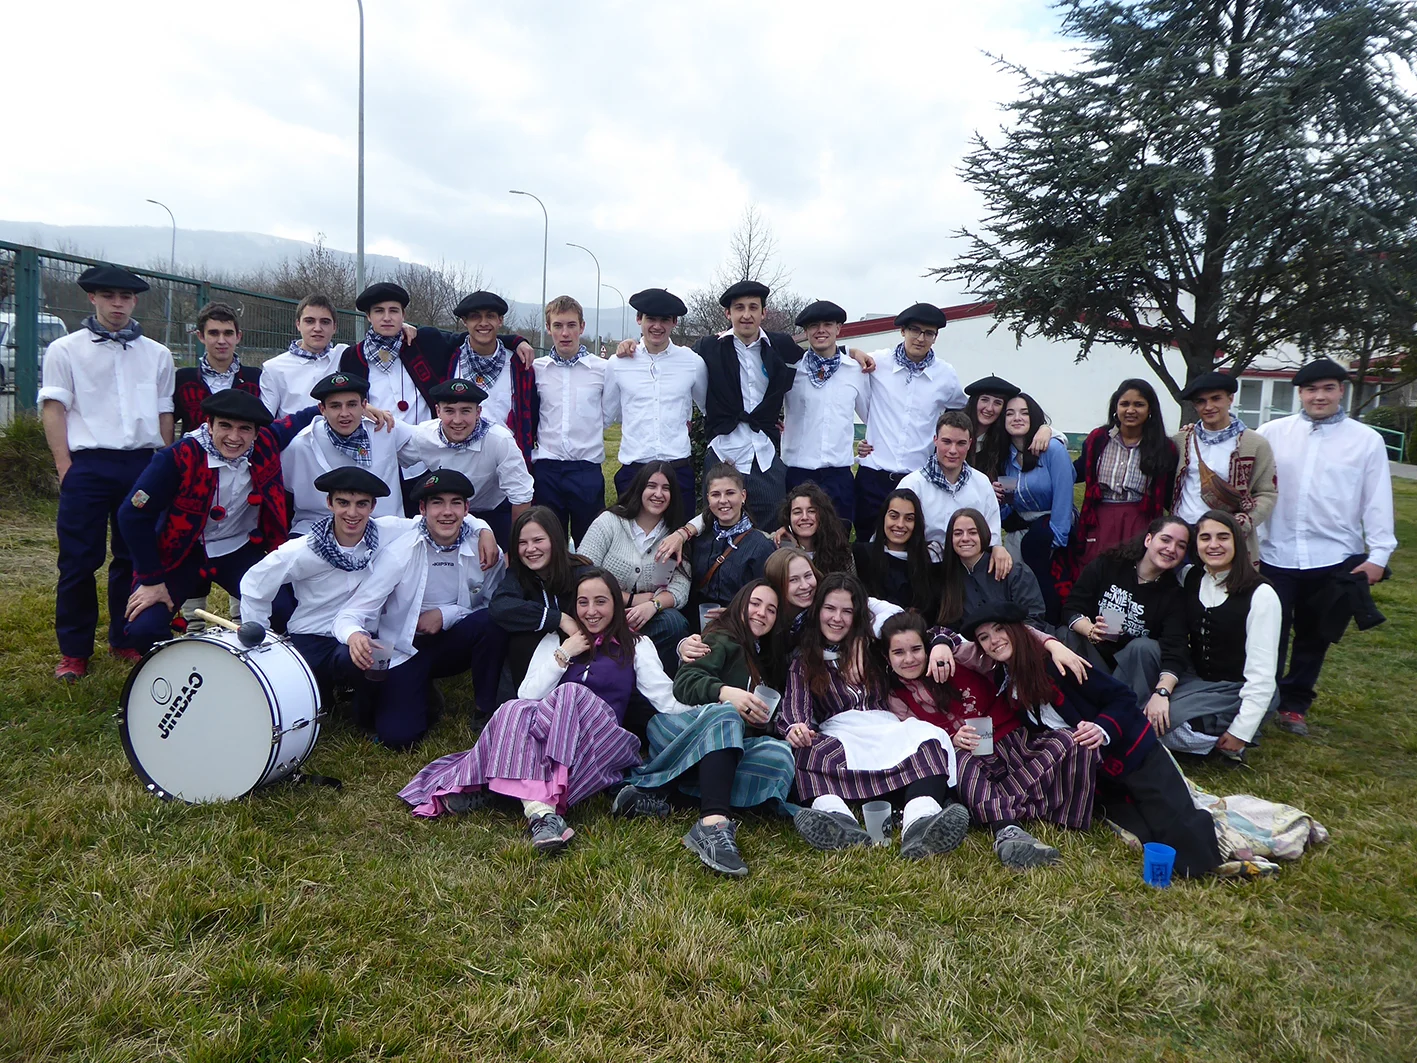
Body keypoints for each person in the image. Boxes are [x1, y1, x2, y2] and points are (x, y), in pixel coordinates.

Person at [397, 568, 694, 855]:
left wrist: (708, 701)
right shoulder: (557, 641)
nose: (591, 611)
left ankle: (498, 786)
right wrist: (565, 654)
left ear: (615, 605)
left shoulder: (636, 644)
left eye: (600, 602)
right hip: (552, 739)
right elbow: (528, 695)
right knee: (515, 707)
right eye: (583, 602)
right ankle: (543, 817)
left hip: (601, 743)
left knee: (571, 692)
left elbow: (664, 699)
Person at [965, 601, 1221, 878]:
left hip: (1133, 754)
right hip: (1100, 775)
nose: (994, 641)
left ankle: (1207, 869)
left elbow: (1122, 697)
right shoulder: (1005, 677)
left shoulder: (1057, 663)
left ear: (1017, 630)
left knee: (1180, 832)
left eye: (999, 630)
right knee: (1141, 831)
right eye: (984, 637)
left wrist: (1101, 728)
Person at [40, 265, 176, 678]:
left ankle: (124, 637)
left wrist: (164, 466)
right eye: (108, 296)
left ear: (135, 301)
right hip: (88, 464)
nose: (117, 304)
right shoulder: (65, 350)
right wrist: (64, 464)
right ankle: (74, 651)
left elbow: (164, 413)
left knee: (133, 556)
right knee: (79, 560)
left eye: (125, 297)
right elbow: (54, 408)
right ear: (92, 298)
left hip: (141, 465)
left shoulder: (157, 354)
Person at [882, 611, 1096, 869]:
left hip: (1011, 740)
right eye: (898, 652)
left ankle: (987, 806)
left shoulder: (958, 656)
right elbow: (916, 738)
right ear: (887, 657)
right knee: (959, 762)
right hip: (968, 758)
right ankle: (1006, 829)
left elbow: (1008, 641)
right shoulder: (895, 697)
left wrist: (1052, 644)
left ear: (927, 647)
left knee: (1072, 741)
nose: (909, 659)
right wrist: (951, 738)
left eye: (916, 649)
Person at [779, 573, 971, 859]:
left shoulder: (874, 647)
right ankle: (837, 821)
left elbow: (912, 629)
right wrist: (797, 727)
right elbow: (796, 706)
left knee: (928, 740)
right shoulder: (805, 660)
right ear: (817, 611)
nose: (837, 618)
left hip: (886, 727)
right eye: (830, 608)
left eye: (847, 611)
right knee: (807, 750)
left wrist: (941, 642)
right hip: (840, 735)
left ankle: (920, 822)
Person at [617, 579, 798, 878]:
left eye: (771, 609)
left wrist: (759, 723)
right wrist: (726, 693)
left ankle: (664, 796)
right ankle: (712, 824)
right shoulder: (720, 637)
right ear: (739, 605)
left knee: (779, 754)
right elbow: (685, 684)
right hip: (679, 730)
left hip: (720, 746)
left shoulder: (763, 659)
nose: (762, 613)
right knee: (725, 714)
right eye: (755, 603)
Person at [117, 390, 320, 652]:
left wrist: (350, 407)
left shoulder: (267, 442)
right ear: (209, 425)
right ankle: (172, 667)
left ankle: (264, 663)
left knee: (282, 610)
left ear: (256, 433)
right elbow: (132, 514)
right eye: (225, 426)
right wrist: (151, 579)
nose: (234, 437)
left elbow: (300, 418)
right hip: (183, 553)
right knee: (144, 627)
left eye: (244, 429)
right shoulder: (177, 458)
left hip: (239, 550)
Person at [1256, 358, 1396, 735]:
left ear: (1341, 391)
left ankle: (1294, 705)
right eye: (1311, 389)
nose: (1319, 396)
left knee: (1315, 635)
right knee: (1267, 633)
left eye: (1328, 389)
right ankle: (1260, 701)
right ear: (1300, 393)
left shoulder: (1366, 441)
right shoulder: (1271, 433)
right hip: (1275, 553)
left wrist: (1379, 555)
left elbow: (1377, 500)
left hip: (1333, 556)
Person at [332, 469, 506, 748]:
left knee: (492, 622)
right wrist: (354, 636)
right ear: (422, 509)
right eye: (437, 503)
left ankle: (486, 709)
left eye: (455, 503)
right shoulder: (400, 552)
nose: (446, 512)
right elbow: (350, 614)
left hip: (454, 642)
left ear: (466, 509)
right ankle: (416, 692)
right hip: (405, 649)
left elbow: (497, 603)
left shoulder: (483, 548)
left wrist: (446, 614)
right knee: (399, 738)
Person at [239, 467, 395, 702]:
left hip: (360, 635)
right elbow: (255, 583)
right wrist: (260, 643)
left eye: (362, 504)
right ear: (329, 503)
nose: (352, 513)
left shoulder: (387, 534)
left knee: (369, 680)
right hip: (312, 636)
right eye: (343, 503)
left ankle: (360, 695)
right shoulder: (304, 549)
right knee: (304, 701)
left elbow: (425, 525)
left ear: (373, 506)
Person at [1154, 511, 1281, 762]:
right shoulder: (1190, 576)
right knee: (1155, 710)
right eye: (1205, 538)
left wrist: (1241, 731)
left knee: (1167, 723)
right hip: (1193, 679)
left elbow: (1262, 674)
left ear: (1237, 542)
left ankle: (1230, 737)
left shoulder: (1261, 595)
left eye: (1223, 537)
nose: (1213, 545)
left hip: (1235, 688)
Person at [694, 280, 809, 528]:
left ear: (763, 312)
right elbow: (676, 364)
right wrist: (633, 347)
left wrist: (853, 353)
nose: (746, 315)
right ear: (728, 313)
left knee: (774, 525)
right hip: (723, 451)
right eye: (739, 308)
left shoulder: (779, 345)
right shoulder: (708, 347)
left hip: (764, 452)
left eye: (753, 307)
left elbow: (816, 358)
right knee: (717, 525)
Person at [853, 302, 966, 538]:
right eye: (915, 330)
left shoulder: (945, 375)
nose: (921, 338)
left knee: (914, 544)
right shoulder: (878, 363)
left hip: (918, 478)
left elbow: (964, 411)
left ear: (935, 338)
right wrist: (853, 351)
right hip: (874, 476)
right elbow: (838, 363)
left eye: (929, 333)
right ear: (903, 331)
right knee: (867, 544)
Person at [1056, 378, 1178, 597]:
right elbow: (1077, 471)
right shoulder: (1098, 440)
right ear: (1115, 407)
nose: (1130, 410)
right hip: (1100, 518)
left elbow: (1168, 492)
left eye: (1138, 404)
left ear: (1150, 409)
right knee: (1095, 572)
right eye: (1125, 404)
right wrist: (1049, 437)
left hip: (1139, 519)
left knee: (1133, 573)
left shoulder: (1163, 447)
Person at [1063, 516, 1191, 712]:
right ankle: (1075, 703)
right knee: (1066, 634)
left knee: (1144, 646)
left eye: (1181, 546)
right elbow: (1072, 606)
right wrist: (1090, 630)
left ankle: (1120, 713)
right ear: (1148, 539)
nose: (1171, 549)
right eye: (1165, 540)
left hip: (1133, 670)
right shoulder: (1110, 564)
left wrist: (1162, 692)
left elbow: (1175, 647)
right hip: (1093, 656)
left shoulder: (1174, 594)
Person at [576, 462, 691, 672]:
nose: (658, 494)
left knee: (674, 623)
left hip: (646, 619)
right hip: (603, 613)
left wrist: (653, 605)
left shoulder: (675, 536)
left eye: (666, 488)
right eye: (651, 486)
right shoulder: (610, 522)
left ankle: (659, 679)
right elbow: (583, 570)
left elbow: (680, 589)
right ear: (639, 489)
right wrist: (629, 599)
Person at [397, 378, 535, 549]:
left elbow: (521, 496)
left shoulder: (500, 440)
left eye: (465, 411)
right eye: (449, 411)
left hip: (491, 514)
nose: (457, 420)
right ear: (438, 411)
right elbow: (394, 457)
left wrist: (514, 548)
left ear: (478, 412)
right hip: (445, 514)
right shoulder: (424, 436)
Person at [603, 287, 706, 504]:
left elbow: (708, 408)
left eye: (664, 319)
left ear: (674, 322)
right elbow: (607, 415)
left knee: (680, 527)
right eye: (651, 319)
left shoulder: (692, 362)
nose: (657, 326)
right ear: (639, 319)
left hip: (677, 470)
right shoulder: (618, 364)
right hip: (634, 471)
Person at [780, 300, 871, 522]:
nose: (821, 330)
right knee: (796, 538)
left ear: (838, 328)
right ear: (806, 331)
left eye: (828, 324)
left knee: (838, 537)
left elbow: (871, 416)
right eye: (814, 325)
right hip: (797, 472)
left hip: (838, 476)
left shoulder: (855, 371)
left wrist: (869, 444)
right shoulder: (792, 370)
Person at [1170, 371, 1277, 560]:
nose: (1208, 406)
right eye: (1201, 401)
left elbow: (1267, 492)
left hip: (1227, 537)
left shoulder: (1254, 444)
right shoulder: (1181, 441)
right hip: (1183, 534)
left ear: (1230, 399)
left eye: (1216, 398)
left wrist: (1243, 523)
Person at [488, 508, 591, 703]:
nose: (530, 549)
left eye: (538, 540)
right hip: (533, 660)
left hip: (581, 651)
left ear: (555, 539)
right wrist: (558, 618)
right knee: (516, 638)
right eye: (522, 543)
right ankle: (509, 707)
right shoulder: (519, 574)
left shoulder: (581, 572)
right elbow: (499, 606)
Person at [283, 373, 407, 534]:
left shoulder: (386, 430)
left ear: (364, 405)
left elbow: (427, 440)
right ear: (322, 409)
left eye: (352, 405)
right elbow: (284, 491)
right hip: (314, 529)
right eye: (335, 406)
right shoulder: (300, 445)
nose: (344, 413)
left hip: (384, 530)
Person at [529, 295, 609, 542]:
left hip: (586, 469)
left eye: (571, 325)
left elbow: (609, 413)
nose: (565, 333)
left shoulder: (602, 369)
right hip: (547, 469)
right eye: (558, 325)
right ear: (548, 328)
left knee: (590, 544)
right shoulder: (536, 369)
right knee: (549, 544)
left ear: (582, 327)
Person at [898, 410, 1010, 577]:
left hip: (969, 571)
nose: (953, 450)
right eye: (947, 441)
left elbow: (992, 533)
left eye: (960, 443)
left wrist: (998, 548)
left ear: (970, 443)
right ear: (935, 440)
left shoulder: (981, 483)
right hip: (923, 571)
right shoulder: (912, 485)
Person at [997, 392, 1074, 621]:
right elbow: (1009, 506)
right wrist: (998, 500)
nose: (1017, 418)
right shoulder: (1005, 459)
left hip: (1051, 530)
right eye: (1010, 414)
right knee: (1016, 590)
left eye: (1024, 413)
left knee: (1048, 592)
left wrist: (1055, 540)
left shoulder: (1053, 450)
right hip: (1021, 530)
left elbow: (1064, 496)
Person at [687, 463, 777, 630]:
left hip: (740, 628)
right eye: (716, 494)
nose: (723, 500)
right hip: (696, 629)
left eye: (730, 493)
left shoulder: (760, 545)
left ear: (743, 496)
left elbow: (768, 596)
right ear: (708, 498)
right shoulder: (698, 540)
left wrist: (735, 613)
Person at [936, 508, 1050, 633]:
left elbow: (1033, 617)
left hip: (1021, 638)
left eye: (973, 532)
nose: (965, 538)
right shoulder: (947, 578)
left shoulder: (1013, 570)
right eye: (958, 533)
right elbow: (947, 625)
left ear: (983, 534)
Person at [173, 302, 261, 435]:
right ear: (201, 336)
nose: (221, 341)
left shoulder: (256, 378)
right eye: (213, 333)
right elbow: (167, 421)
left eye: (228, 333)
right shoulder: (183, 378)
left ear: (238, 336)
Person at [851, 488, 941, 614]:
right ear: (884, 517)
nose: (900, 524)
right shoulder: (860, 555)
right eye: (894, 516)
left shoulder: (930, 558)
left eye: (909, 519)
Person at [258, 294, 350, 418]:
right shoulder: (273, 368)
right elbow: (265, 420)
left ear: (334, 327)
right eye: (309, 321)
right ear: (298, 324)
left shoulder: (344, 355)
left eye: (325, 322)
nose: (317, 328)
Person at [771, 481, 855, 575]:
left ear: (823, 515)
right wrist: (792, 543)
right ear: (788, 517)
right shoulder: (776, 546)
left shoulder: (840, 550)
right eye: (797, 512)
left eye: (811, 511)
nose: (804, 517)